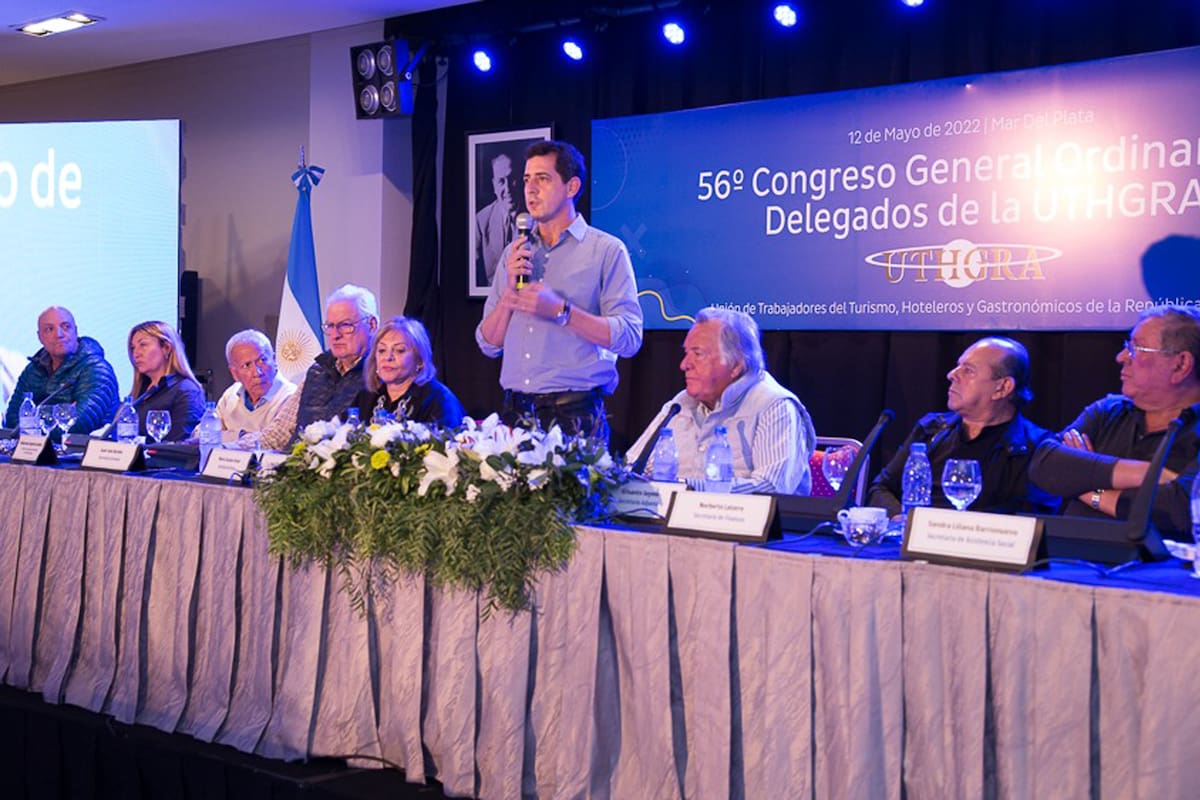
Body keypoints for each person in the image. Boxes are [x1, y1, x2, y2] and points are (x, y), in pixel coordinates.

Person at [475, 139, 643, 440]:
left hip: (573, 416)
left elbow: (630, 337)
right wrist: (510, 297)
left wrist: (561, 311)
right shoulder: (515, 254)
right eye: (527, 179)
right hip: (515, 414)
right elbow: (488, 344)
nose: (530, 189)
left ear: (572, 187)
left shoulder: (605, 250)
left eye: (543, 178)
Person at [1029, 305, 1200, 537]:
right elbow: (1045, 464)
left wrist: (1085, 487)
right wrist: (1147, 473)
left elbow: (1180, 509)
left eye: (1135, 348)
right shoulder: (1109, 410)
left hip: (1153, 570)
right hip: (1065, 560)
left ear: (1180, 365)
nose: (1120, 358)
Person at [625, 307, 816, 494]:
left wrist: (686, 488)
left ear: (735, 365)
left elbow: (772, 487)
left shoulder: (774, 406)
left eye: (698, 354)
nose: (684, 365)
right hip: (675, 522)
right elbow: (631, 467)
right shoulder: (679, 405)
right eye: (686, 353)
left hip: (746, 524)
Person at [868, 336, 1057, 517]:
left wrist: (944, 527)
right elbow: (882, 488)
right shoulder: (931, 429)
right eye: (958, 366)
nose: (951, 375)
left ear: (1002, 387)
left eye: (968, 370)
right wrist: (900, 518)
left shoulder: (1037, 447)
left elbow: (1030, 516)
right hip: (912, 541)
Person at [259, 284, 379, 449]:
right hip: (296, 465)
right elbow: (279, 432)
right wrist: (231, 450)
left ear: (372, 325)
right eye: (330, 326)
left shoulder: (379, 374)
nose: (335, 335)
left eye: (345, 325)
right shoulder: (317, 370)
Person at [3, 306, 119, 435]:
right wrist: (63, 412)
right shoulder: (33, 369)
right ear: (40, 337)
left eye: (65, 327)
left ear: (75, 331)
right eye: (49, 329)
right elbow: (13, 419)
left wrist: (33, 422)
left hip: (85, 452)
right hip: (35, 450)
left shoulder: (97, 369)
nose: (58, 334)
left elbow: (78, 425)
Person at [354, 316, 466, 428]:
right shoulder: (366, 397)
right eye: (382, 350)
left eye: (399, 350)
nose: (388, 357)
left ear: (420, 360)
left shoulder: (439, 400)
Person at [205, 329, 297, 447]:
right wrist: (240, 435)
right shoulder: (231, 394)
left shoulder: (290, 397)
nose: (257, 372)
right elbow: (202, 434)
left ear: (274, 359)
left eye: (262, 360)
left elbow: (275, 443)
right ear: (234, 373)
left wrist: (225, 437)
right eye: (246, 365)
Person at [127, 320, 206, 441]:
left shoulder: (186, 390)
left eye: (143, 345)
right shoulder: (139, 392)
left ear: (166, 348)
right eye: (133, 348)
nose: (136, 353)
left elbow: (179, 443)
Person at [474, 150, 521, 287]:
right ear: (494, 185)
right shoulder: (481, 220)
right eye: (501, 181)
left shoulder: (537, 220)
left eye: (512, 179)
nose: (507, 189)